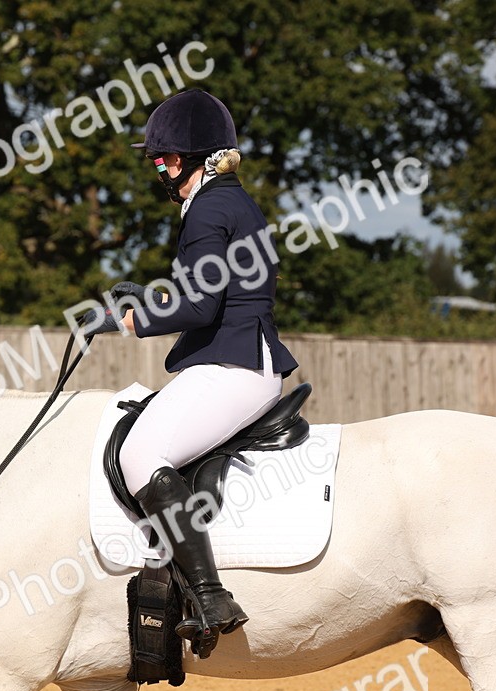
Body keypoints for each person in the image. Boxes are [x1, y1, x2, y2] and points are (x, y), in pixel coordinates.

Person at [112, 89, 299, 657]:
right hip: (237, 356)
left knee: (139, 455)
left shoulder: (211, 209)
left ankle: (210, 595)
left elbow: (198, 307)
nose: (159, 168)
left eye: (165, 159)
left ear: (194, 160)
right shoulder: (228, 203)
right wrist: (146, 295)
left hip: (235, 362)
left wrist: (129, 317)